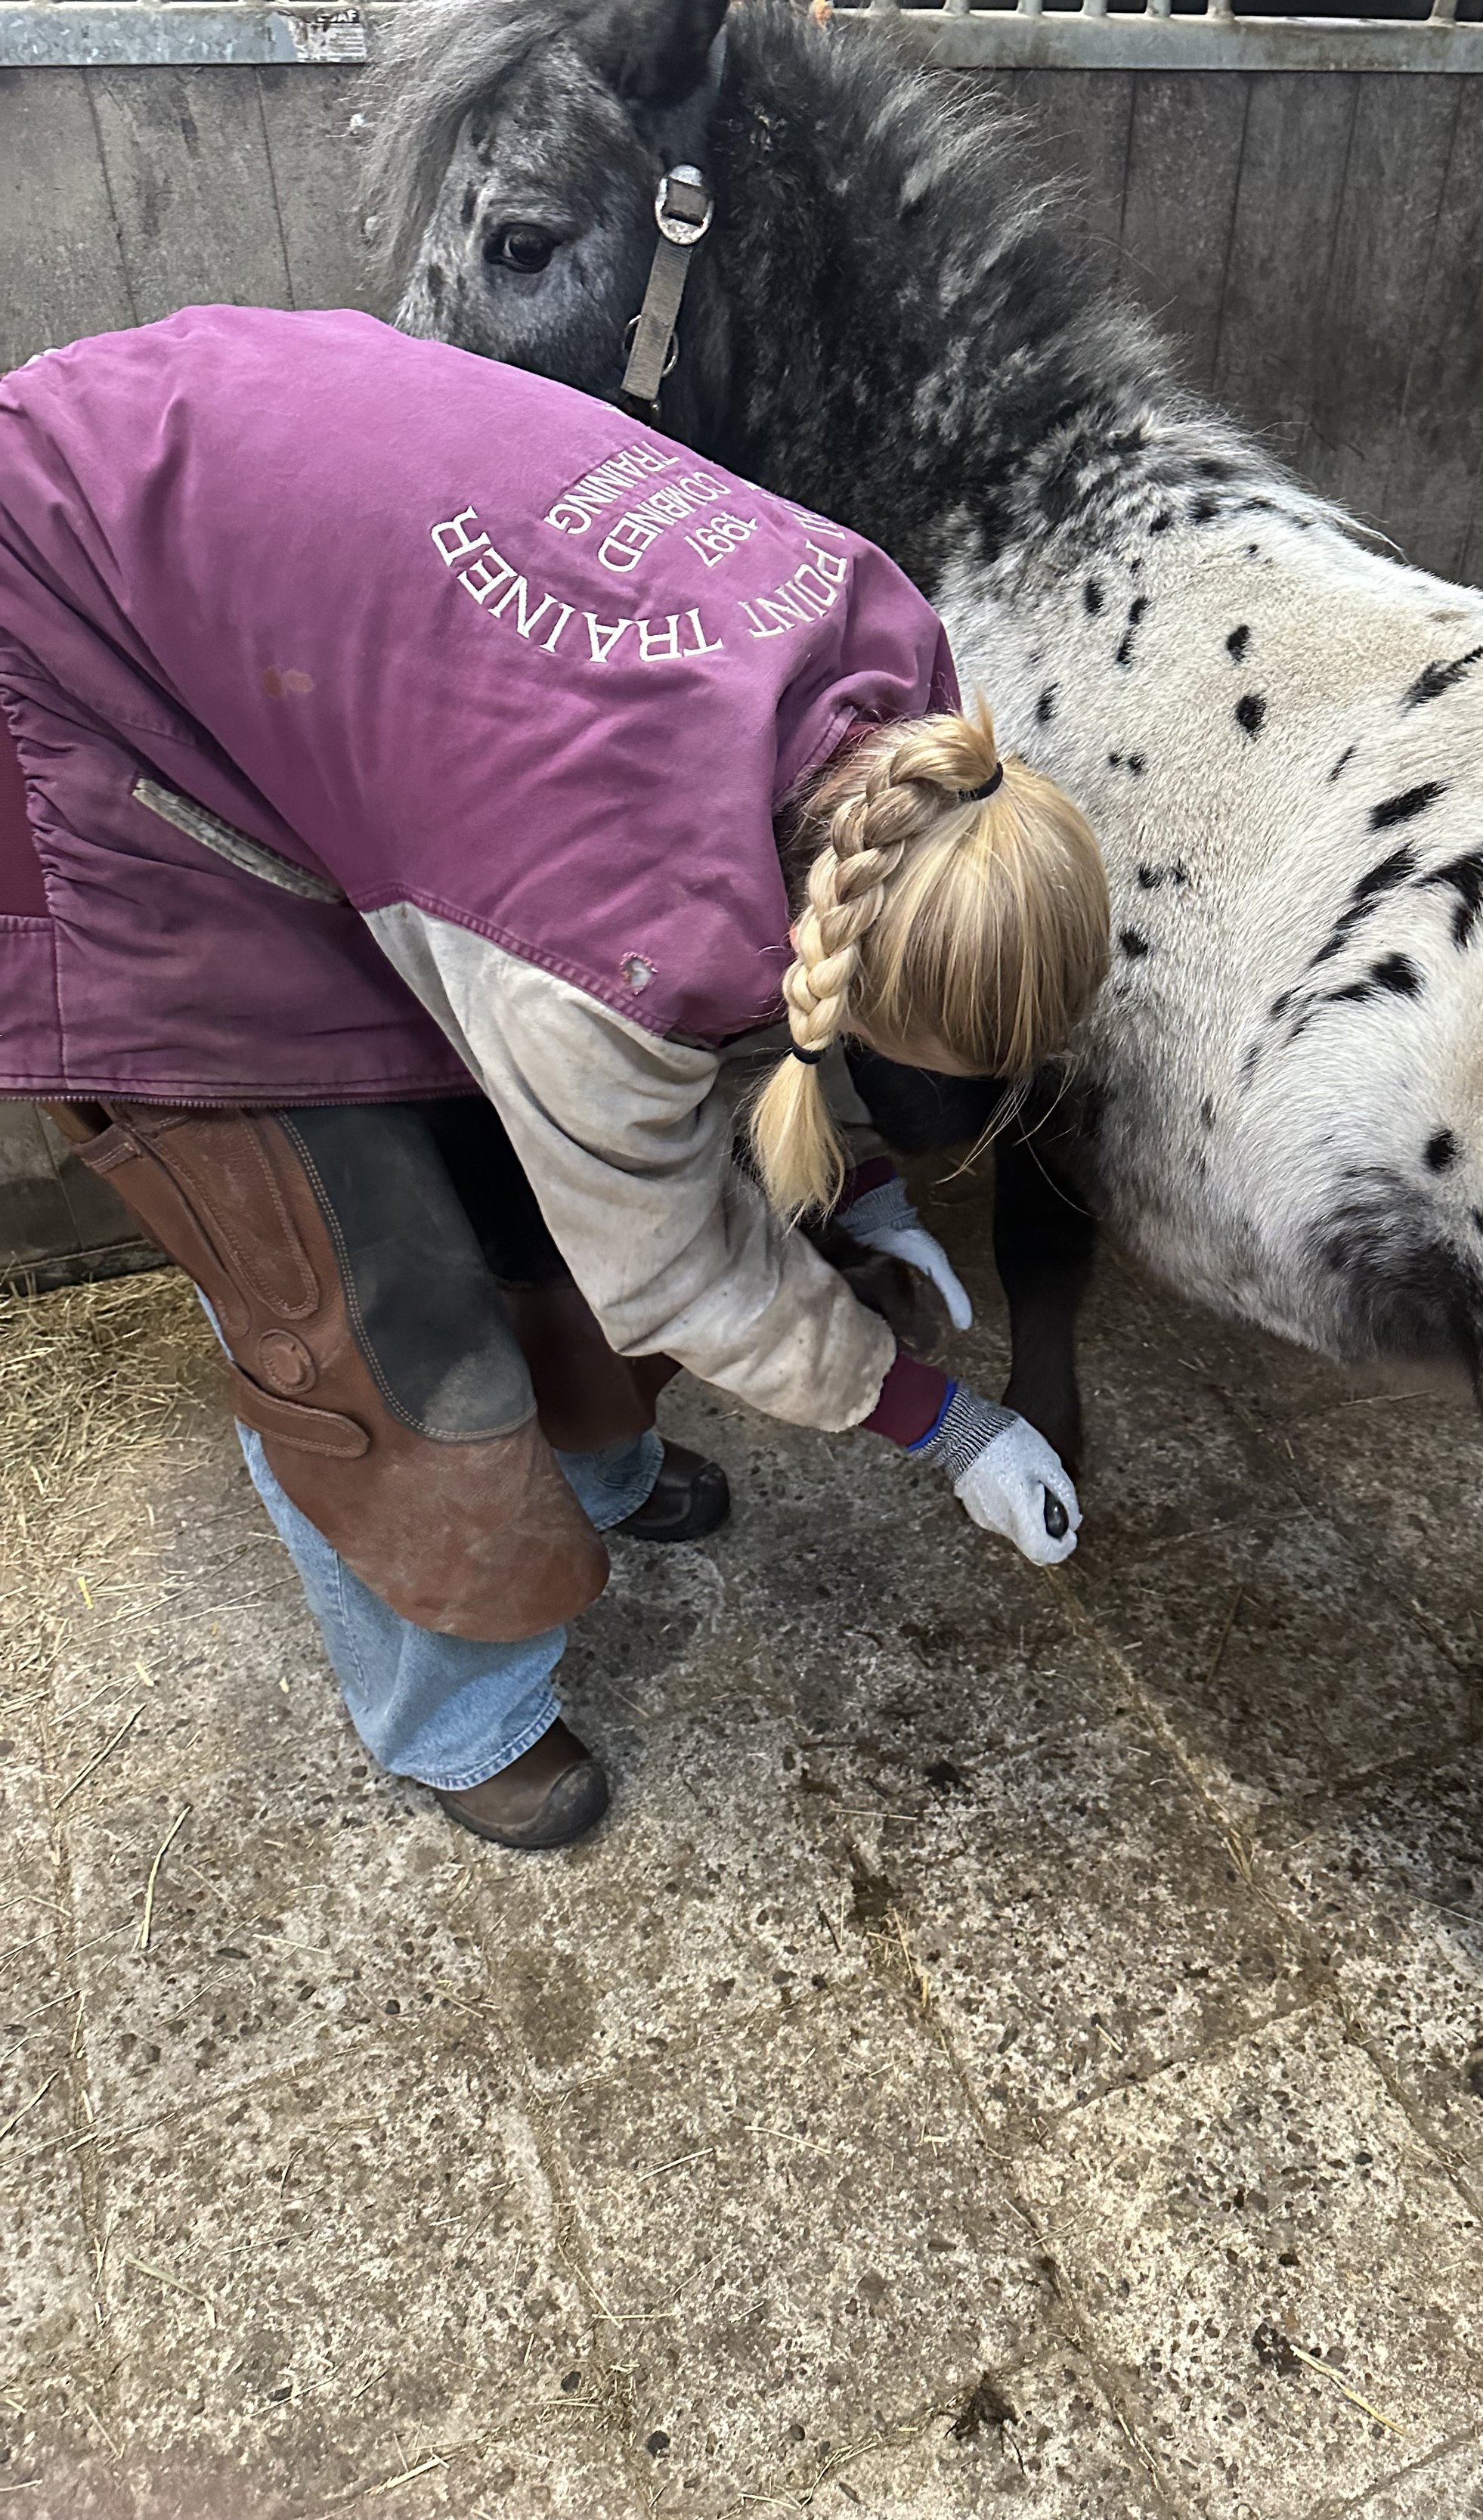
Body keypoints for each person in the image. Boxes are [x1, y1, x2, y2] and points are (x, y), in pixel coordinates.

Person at [0, 307, 1110, 1848]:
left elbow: (727, 1049)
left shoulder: (907, 702)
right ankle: (457, 1714)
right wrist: (935, 1419)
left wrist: (849, 1177)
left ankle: (589, 1472)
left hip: (298, 588)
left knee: (530, 1173)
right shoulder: (603, 943)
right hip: (79, 652)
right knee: (361, 1306)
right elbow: (667, 1256)